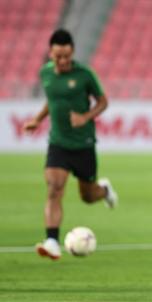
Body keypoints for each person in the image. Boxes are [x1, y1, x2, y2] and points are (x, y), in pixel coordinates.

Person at [24, 29, 117, 260]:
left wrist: (85, 117)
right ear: (51, 54)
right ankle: (52, 241)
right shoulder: (45, 74)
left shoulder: (84, 75)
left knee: (88, 196)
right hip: (58, 143)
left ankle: (104, 190)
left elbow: (103, 101)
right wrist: (37, 119)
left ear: (72, 52)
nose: (63, 61)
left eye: (67, 56)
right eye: (58, 57)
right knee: (54, 188)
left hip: (83, 144)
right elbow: (52, 100)